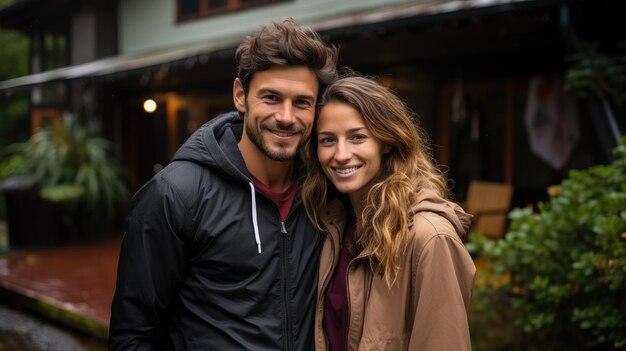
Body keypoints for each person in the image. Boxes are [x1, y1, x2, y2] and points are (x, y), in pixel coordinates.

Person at [109, 19, 338, 350]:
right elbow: (133, 337)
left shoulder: (325, 190)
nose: (287, 116)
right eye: (271, 97)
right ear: (240, 96)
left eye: (302, 102)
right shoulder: (176, 194)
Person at [302, 75, 476, 350]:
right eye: (327, 140)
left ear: (387, 141)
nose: (341, 154)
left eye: (357, 137)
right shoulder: (333, 225)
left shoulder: (429, 237)